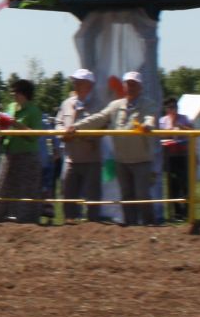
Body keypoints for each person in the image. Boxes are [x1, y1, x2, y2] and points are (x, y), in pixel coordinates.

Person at [65, 72, 160, 226]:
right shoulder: (115, 106)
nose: (130, 87)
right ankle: (131, 226)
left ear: (140, 87)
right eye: (128, 84)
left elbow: (151, 117)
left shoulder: (148, 104)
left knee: (143, 195)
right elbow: (98, 118)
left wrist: (148, 125)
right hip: (121, 159)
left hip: (141, 159)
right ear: (123, 86)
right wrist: (76, 126)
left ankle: (150, 225)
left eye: (134, 84)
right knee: (127, 195)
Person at [0, 77, 44, 223]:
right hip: (9, 153)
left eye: (16, 92)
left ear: (24, 93)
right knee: (2, 185)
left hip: (27, 155)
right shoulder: (11, 107)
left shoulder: (34, 111)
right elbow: (5, 127)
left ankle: (27, 220)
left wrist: (14, 123)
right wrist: (0, 124)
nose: (13, 95)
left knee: (26, 189)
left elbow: (34, 135)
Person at [55, 69, 103, 223]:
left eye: (79, 81)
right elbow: (58, 123)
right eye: (74, 81)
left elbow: (103, 127)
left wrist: (82, 136)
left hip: (92, 159)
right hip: (71, 159)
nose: (75, 84)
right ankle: (69, 226)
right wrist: (62, 133)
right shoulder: (66, 104)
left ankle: (93, 226)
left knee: (92, 197)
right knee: (68, 195)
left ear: (89, 85)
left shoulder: (99, 105)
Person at [158, 96, 193, 222]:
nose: (173, 109)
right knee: (173, 185)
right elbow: (160, 135)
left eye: (175, 106)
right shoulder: (162, 121)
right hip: (170, 156)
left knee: (185, 184)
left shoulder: (184, 118)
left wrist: (181, 127)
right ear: (166, 109)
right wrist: (170, 130)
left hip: (183, 156)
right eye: (170, 107)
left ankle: (188, 213)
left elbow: (193, 131)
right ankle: (176, 213)